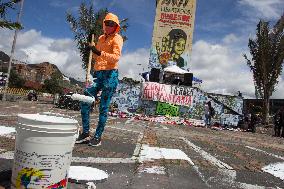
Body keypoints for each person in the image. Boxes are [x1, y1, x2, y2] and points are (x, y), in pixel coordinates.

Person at [76, 13, 124, 146]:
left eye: (112, 24)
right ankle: (85, 133)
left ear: (116, 26)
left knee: (103, 107)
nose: (109, 26)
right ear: (104, 24)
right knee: (85, 100)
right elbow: (98, 58)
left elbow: (115, 58)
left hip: (111, 74)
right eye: (107, 23)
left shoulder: (117, 38)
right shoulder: (101, 38)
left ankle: (97, 136)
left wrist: (98, 52)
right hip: (98, 74)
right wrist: (91, 51)